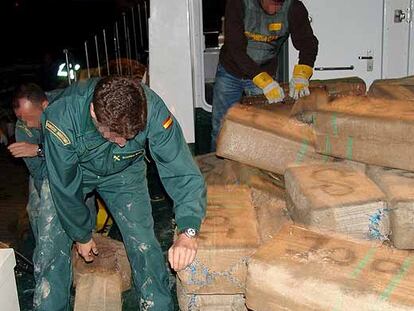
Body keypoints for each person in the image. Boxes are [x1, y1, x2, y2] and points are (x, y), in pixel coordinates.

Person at [42, 76, 206, 310]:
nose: (121, 143)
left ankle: (157, 305)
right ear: (93, 113)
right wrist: (81, 235)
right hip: (76, 171)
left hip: (124, 172)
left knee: (144, 243)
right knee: (51, 246)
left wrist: (188, 231)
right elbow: (64, 187)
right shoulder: (62, 117)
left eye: (128, 137)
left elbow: (181, 170)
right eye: (113, 135)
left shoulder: (151, 109)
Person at [211, 0, 318, 149]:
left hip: (265, 69)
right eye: (272, 3)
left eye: (279, 5)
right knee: (221, 126)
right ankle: (218, 169)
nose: (275, 10)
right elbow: (235, 49)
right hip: (231, 71)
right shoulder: (238, 3)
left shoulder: (294, 7)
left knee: (262, 129)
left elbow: (308, 43)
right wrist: (264, 81)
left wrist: (302, 73)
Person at [8, 84, 75, 311]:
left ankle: (67, 270)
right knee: (38, 215)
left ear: (45, 106)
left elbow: (73, 154)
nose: (26, 124)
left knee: (68, 221)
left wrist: (37, 149)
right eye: (20, 118)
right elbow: (40, 174)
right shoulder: (23, 128)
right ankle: (45, 272)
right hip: (44, 172)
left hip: (73, 170)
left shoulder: (66, 111)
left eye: (29, 118)